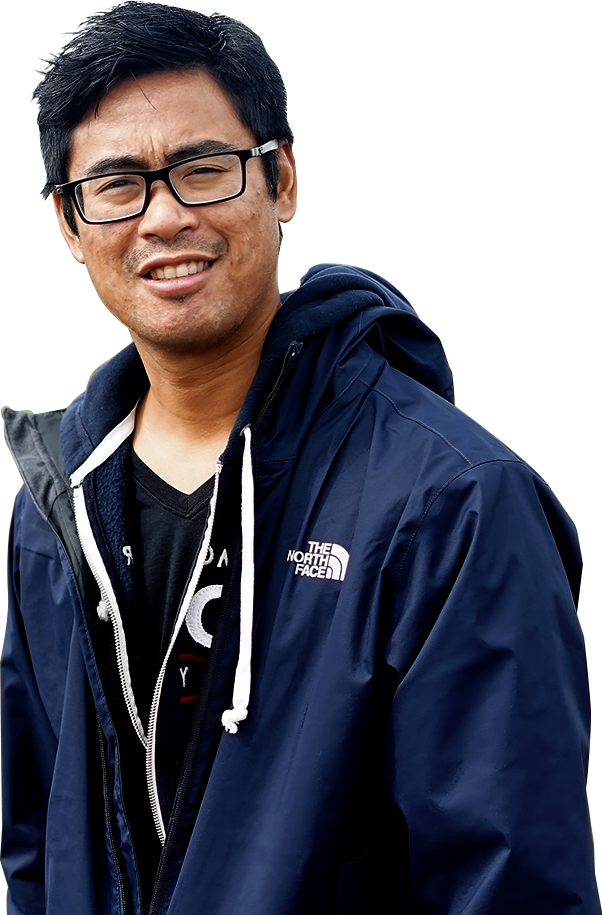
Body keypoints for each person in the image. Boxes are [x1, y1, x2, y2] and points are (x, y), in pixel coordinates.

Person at [1, 2, 598, 913]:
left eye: (203, 170)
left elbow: (510, 884)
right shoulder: (56, 510)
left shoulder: (453, 503)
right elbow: (40, 844)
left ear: (279, 180)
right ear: (70, 223)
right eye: (117, 185)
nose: (163, 217)